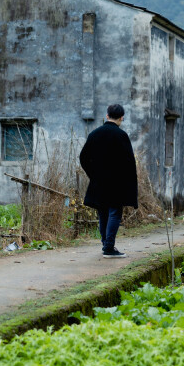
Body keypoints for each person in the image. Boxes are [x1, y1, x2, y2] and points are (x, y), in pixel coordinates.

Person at [79, 104, 138, 258]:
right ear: (121, 118)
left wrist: (93, 174)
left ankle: (106, 244)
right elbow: (129, 162)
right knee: (114, 213)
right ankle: (109, 248)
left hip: (98, 182)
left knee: (103, 213)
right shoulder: (121, 135)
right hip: (117, 183)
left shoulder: (94, 134)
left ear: (107, 116)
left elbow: (83, 158)